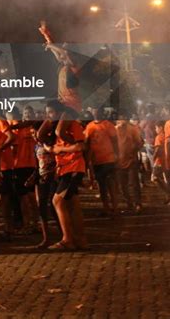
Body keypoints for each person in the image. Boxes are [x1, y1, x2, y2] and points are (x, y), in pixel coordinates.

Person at [42, 100, 88, 251]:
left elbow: (80, 146)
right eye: (48, 113)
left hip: (73, 167)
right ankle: (80, 240)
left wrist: (60, 149)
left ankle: (67, 239)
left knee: (57, 201)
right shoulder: (56, 128)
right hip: (64, 169)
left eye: (52, 112)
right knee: (73, 204)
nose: (50, 116)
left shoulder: (73, 125)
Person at [84, 107, 119, 217]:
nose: (96, 112)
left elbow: (115, 140)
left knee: (111, 184)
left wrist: (117, 154)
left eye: (98, 110)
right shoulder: (89, 126)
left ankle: (115, 208)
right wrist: (88, 160)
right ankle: (106, 208)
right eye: (94, 110)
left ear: (101, 112)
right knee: (102, 186)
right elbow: (87, 144)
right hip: (97, 161)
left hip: (109, 159)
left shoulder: (108, 125)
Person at [29, 121, 58, 249]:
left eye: (34, 132)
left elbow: (58, 160)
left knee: (54, 207)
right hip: (42, 179)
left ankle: (64, 233)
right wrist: (33, 177)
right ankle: (46, 238)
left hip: (53, 178)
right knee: (41, 207)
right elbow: (37, 165)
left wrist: (53, 173)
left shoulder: (50, 144)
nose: (34, 136)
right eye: (31, 134)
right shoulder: (36, 147)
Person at [13, 106, 38, 234]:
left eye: (30, 113)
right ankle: (26, 223)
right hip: (20, 165)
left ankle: (35, 222)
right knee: (23, 196)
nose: (27, 115)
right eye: (25, 113)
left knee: (32, 196)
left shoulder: (36, 129)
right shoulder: (18, 130)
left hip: (33, 164)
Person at [115, 114, 143, 212]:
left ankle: (137, 203)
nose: (121, 122)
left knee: (134, 184)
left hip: (131, 161)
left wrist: (133, 150)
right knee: (122, 185)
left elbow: (140, 143)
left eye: (123, 119)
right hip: (118, 162)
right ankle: (129, 203)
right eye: (119, 120)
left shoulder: (132, 129)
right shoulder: (114, 130)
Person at [152, 121, 170, 203]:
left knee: (154, 178)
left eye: (156, 127)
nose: (155, 129)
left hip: (159, 162)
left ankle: (167, 192)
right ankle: (168, 197)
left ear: (161, 128)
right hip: (167, 162)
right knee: (167, 179)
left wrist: (153, 158)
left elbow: (157, 149)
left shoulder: (158, 137)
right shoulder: (166, 136)